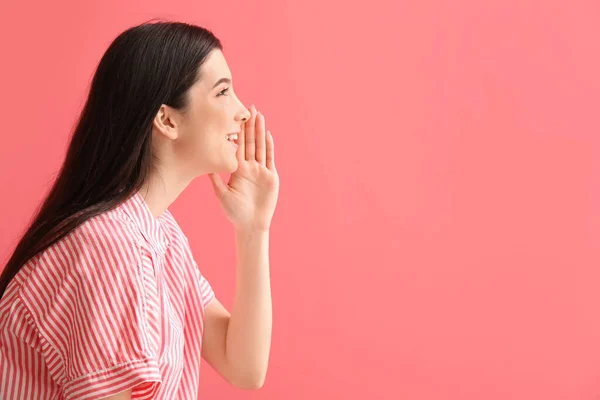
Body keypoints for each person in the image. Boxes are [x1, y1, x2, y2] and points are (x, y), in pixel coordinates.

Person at [0, 19, 279, 399]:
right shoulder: (109, 244)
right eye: (223, 92)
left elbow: (243, 366)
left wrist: (253, 229)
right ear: (166, 119)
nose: (243, 111)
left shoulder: (158, 233)